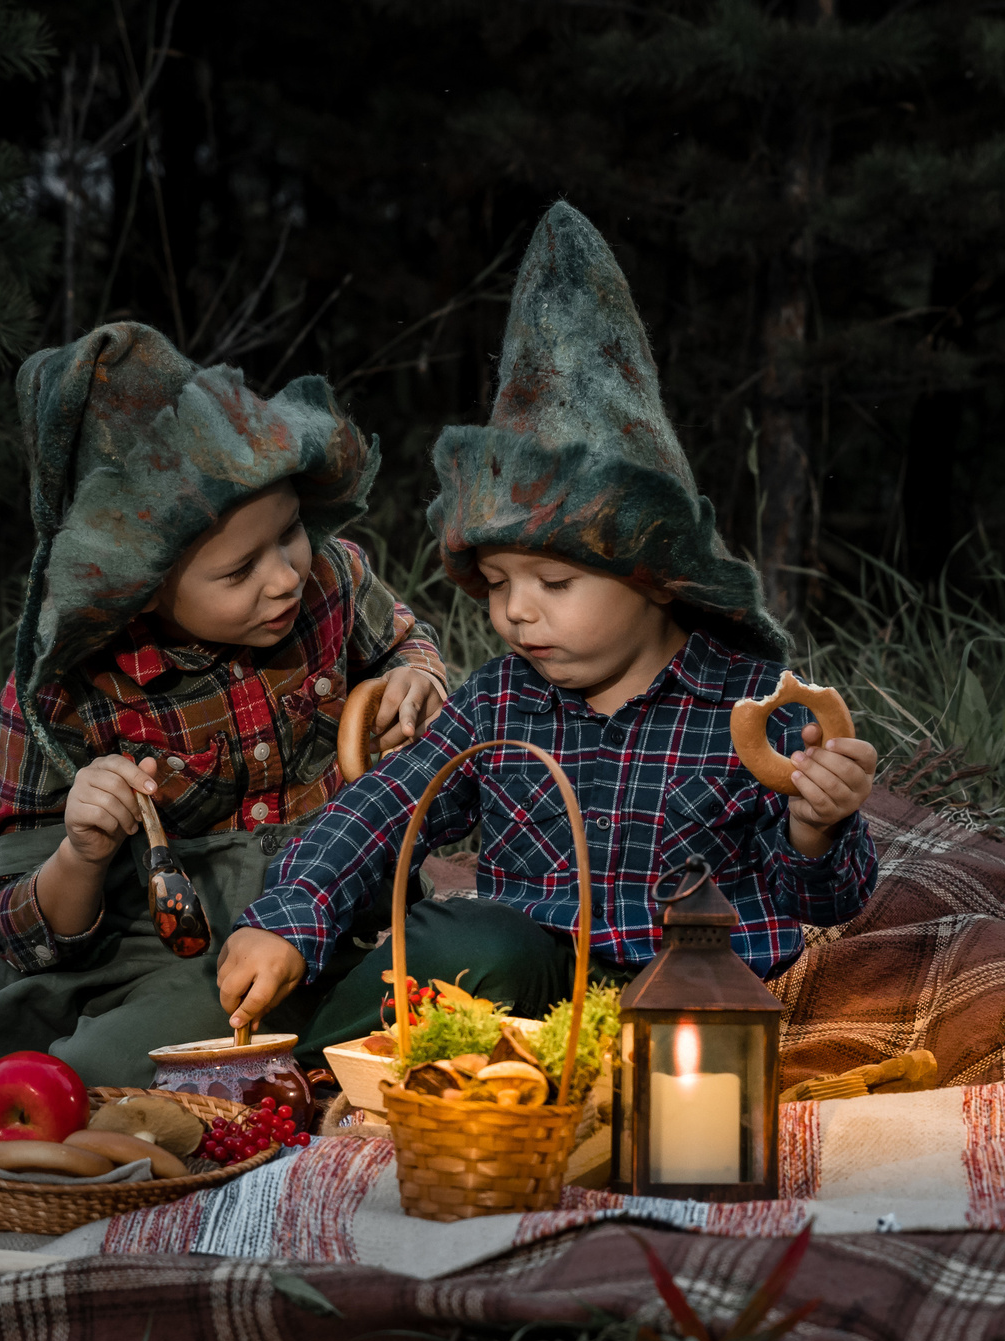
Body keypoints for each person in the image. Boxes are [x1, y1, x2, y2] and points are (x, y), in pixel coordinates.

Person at [216, 203, 879, 1057]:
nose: (517, 611)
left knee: (682, 1017)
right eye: (497, 583)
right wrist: (288, 915)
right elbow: (383, 808)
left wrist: (818, 826)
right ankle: (289, 1060)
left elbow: (824, 902)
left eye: (554, 583)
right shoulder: (502, 702)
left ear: (654, 573)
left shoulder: (746, 704)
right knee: (464, 941)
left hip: (689, 1003)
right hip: (527, 983)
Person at [0, 322, 445, 1110]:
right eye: (240, 570)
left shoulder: (330, 584)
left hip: (284, 926)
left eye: (289, 535)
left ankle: (87, 1082)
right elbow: (26, 930)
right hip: (116, 925)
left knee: (92, 1080)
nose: (283, 577)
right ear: (136, 586)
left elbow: (407, 646)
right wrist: (81, 849)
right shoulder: (61, 691)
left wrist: (416, 681)